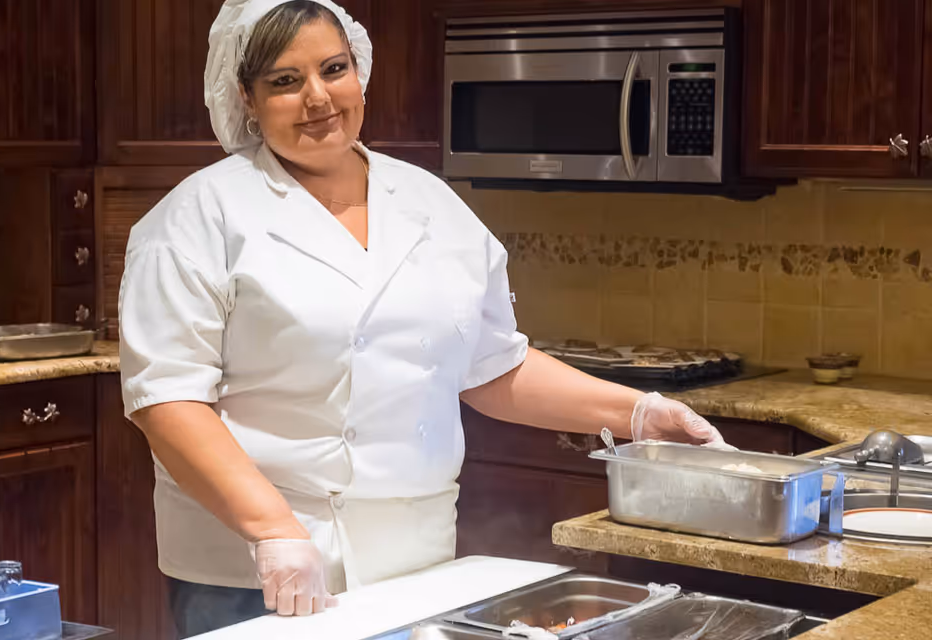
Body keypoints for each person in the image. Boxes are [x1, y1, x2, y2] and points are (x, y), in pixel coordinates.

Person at [118, 1, 729, 637]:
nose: (318, 97)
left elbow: (492, 365)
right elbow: (168, 400)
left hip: (414, 561)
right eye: (285, 80)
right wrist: (272, 529)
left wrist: (637, 413)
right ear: (246, 96)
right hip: (253, 569)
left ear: (360, 70)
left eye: (334, 69)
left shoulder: (430, 203)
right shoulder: (195, 218)